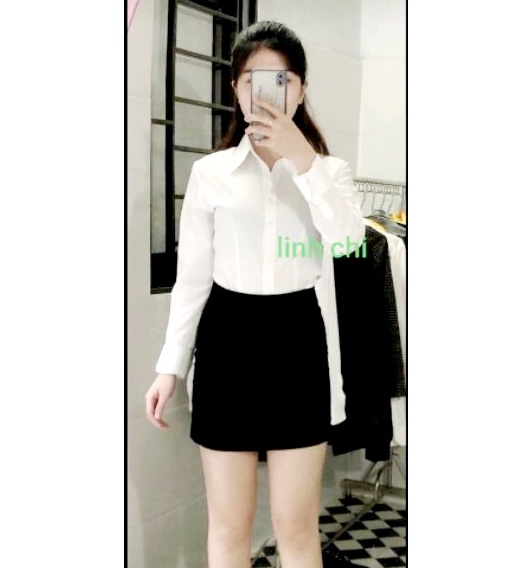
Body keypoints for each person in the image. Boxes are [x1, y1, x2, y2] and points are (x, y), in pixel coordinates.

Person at [144, 20, 365, 568]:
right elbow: (193, 278)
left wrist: (301, 159)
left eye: (282, 79)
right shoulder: (210, 173)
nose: (267, 92)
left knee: (297, 529)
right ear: (236, 90)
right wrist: (170, 366)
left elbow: (348, 242)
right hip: (227, 340)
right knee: (228, 528)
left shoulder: (329, 171)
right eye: (253, 80)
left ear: (302, 89)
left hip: (298, 340)